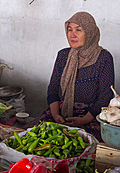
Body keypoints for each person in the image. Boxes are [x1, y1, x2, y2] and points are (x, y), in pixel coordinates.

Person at [40, 11, 114, 142]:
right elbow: (52, 89)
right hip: (62, 112)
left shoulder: (103, 58)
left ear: (89, 33)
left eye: (78, 30)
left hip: (90, 116)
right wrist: (56, 115)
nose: (72, 35)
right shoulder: (63, 55)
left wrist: (83, 120)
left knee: (81, 142)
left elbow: (106, 96)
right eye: (69, 30)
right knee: (43, 135)